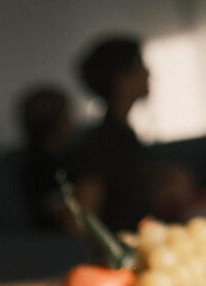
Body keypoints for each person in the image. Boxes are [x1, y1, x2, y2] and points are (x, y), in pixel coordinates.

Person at [71, 35, 196, 231]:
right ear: (120, 78)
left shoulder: (122, 133)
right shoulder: (103, 140)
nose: (148, 73)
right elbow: (83, 214)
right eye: (140, 66)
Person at [16, 85, 76, 230]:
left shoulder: (65, 155)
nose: (73, 120)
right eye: (67, 115)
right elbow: (62, 216)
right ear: (57, 122)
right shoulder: (40, 166)